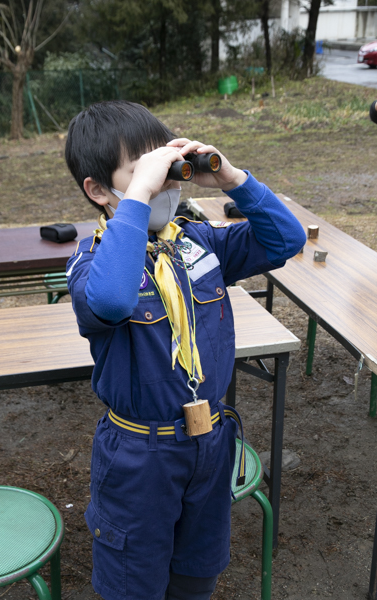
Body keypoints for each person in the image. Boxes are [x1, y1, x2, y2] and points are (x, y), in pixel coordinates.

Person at [65, 100, 306, 600]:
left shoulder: (197, 244)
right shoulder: (91, 265)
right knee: (136, 585)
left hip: (211, 443)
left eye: (167, 168)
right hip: (139, 457)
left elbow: (287, 239)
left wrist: (232, 178)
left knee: (198, 574)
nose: (166, 183)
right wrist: (140, 195)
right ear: (97, 190)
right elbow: (112, 299)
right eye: (142, 172)